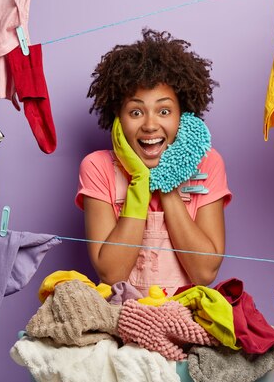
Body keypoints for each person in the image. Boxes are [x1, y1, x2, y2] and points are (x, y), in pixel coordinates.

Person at [75, 29, 232, 295]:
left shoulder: (207, 163)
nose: (150, 125)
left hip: (186, 318)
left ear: (183, 115)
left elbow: (204, 273)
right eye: (135, 112)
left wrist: (167, 180)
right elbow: (112, 274)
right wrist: (139, 180)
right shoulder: (97, 167)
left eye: (164, 111)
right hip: (120, 318)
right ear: (117, 118)